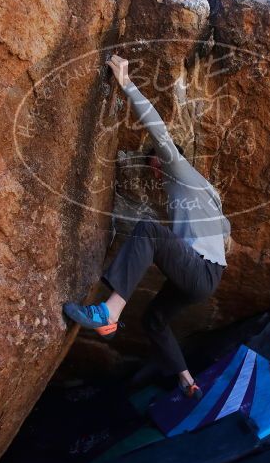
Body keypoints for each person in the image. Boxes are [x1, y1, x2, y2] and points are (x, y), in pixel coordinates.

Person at [63, 54, 230, 400]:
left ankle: (109, 311)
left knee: (149, 231)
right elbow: (225, 225)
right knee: (154, 319)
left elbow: (158, 130)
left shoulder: (179, 167)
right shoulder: (201, 191)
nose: (154, 169)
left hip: (202, 271)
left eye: (155, 162)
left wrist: (125, 82)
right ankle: (187, 380)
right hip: (205, 278)